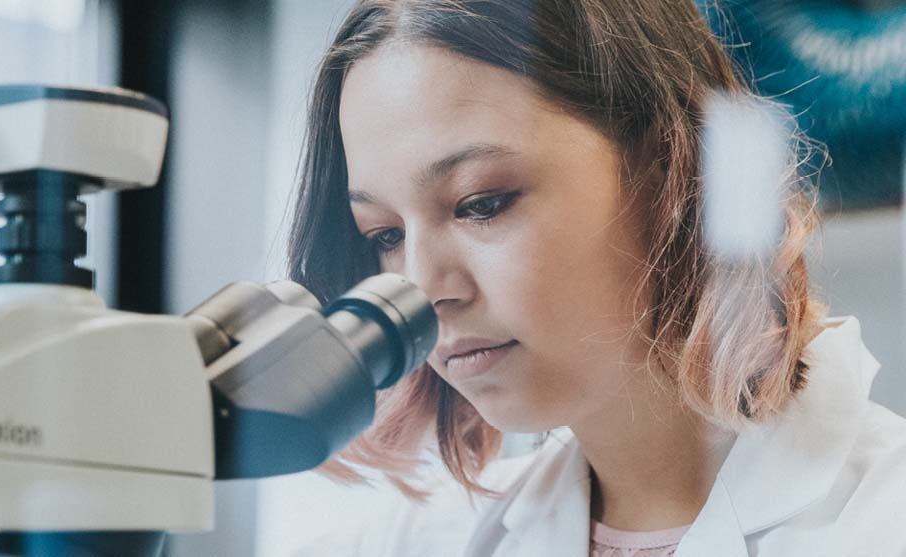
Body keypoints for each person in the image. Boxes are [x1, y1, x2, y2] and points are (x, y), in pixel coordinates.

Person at [285, 1, 906, 555]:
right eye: (384, 236)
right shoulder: (425, 539)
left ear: (669, 169)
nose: (422, 288)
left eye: (481, 202)